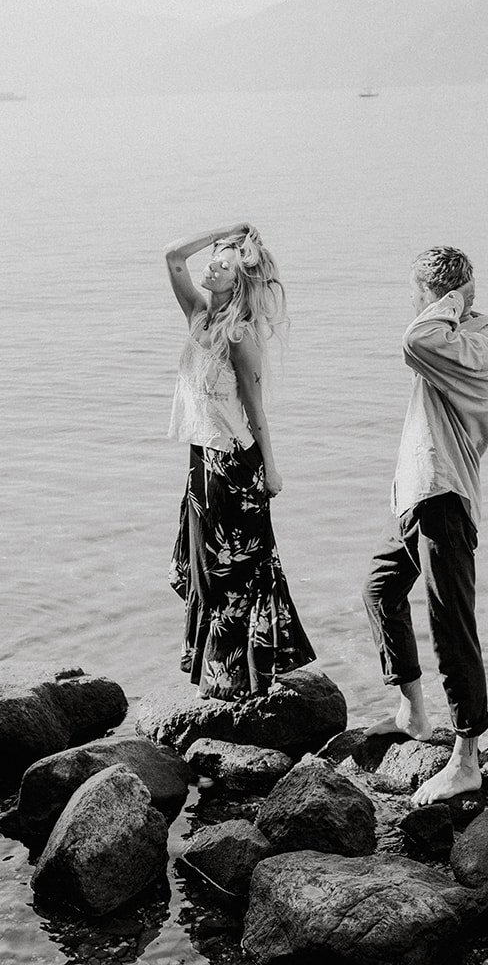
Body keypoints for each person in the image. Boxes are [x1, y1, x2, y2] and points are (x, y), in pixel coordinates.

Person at [362, 245, 488, 804]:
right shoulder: (457, 338)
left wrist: (442, 301)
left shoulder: (472, 345)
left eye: (415, 295)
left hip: (444, 499)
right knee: (380, 589)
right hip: (420, 499)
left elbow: (412, 339)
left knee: (451, 626)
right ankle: (413, 713)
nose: (411, 306)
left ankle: (467, 758)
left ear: (439, 298)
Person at [164, 221, 316, 699]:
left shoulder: (240, 335)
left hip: (233, 466)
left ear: (238, 282)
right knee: (206, 571)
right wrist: (225, 231)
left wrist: (271, 468)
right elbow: (172, 256)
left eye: (224, 264)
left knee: (235, 575)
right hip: (201, 461)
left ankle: (239, 681)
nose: (211, 265)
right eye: (213, 258)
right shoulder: (198, 316)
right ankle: (219, 677)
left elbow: (255, 410)